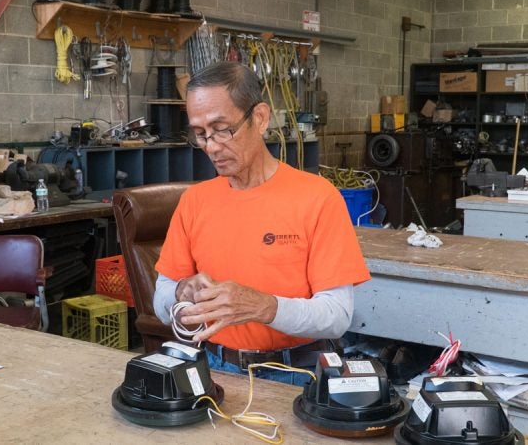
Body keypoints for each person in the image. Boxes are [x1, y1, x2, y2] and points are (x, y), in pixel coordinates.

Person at [152, 61, 370, 385]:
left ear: (260, 118)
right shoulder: (195, 202)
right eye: (200, 134)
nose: (211, 146)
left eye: (222, 129)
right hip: (214, 367)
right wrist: (183, 294)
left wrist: (262, 307)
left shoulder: (317, 198)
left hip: (296, 373)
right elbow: (162, 298)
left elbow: (337, 316)